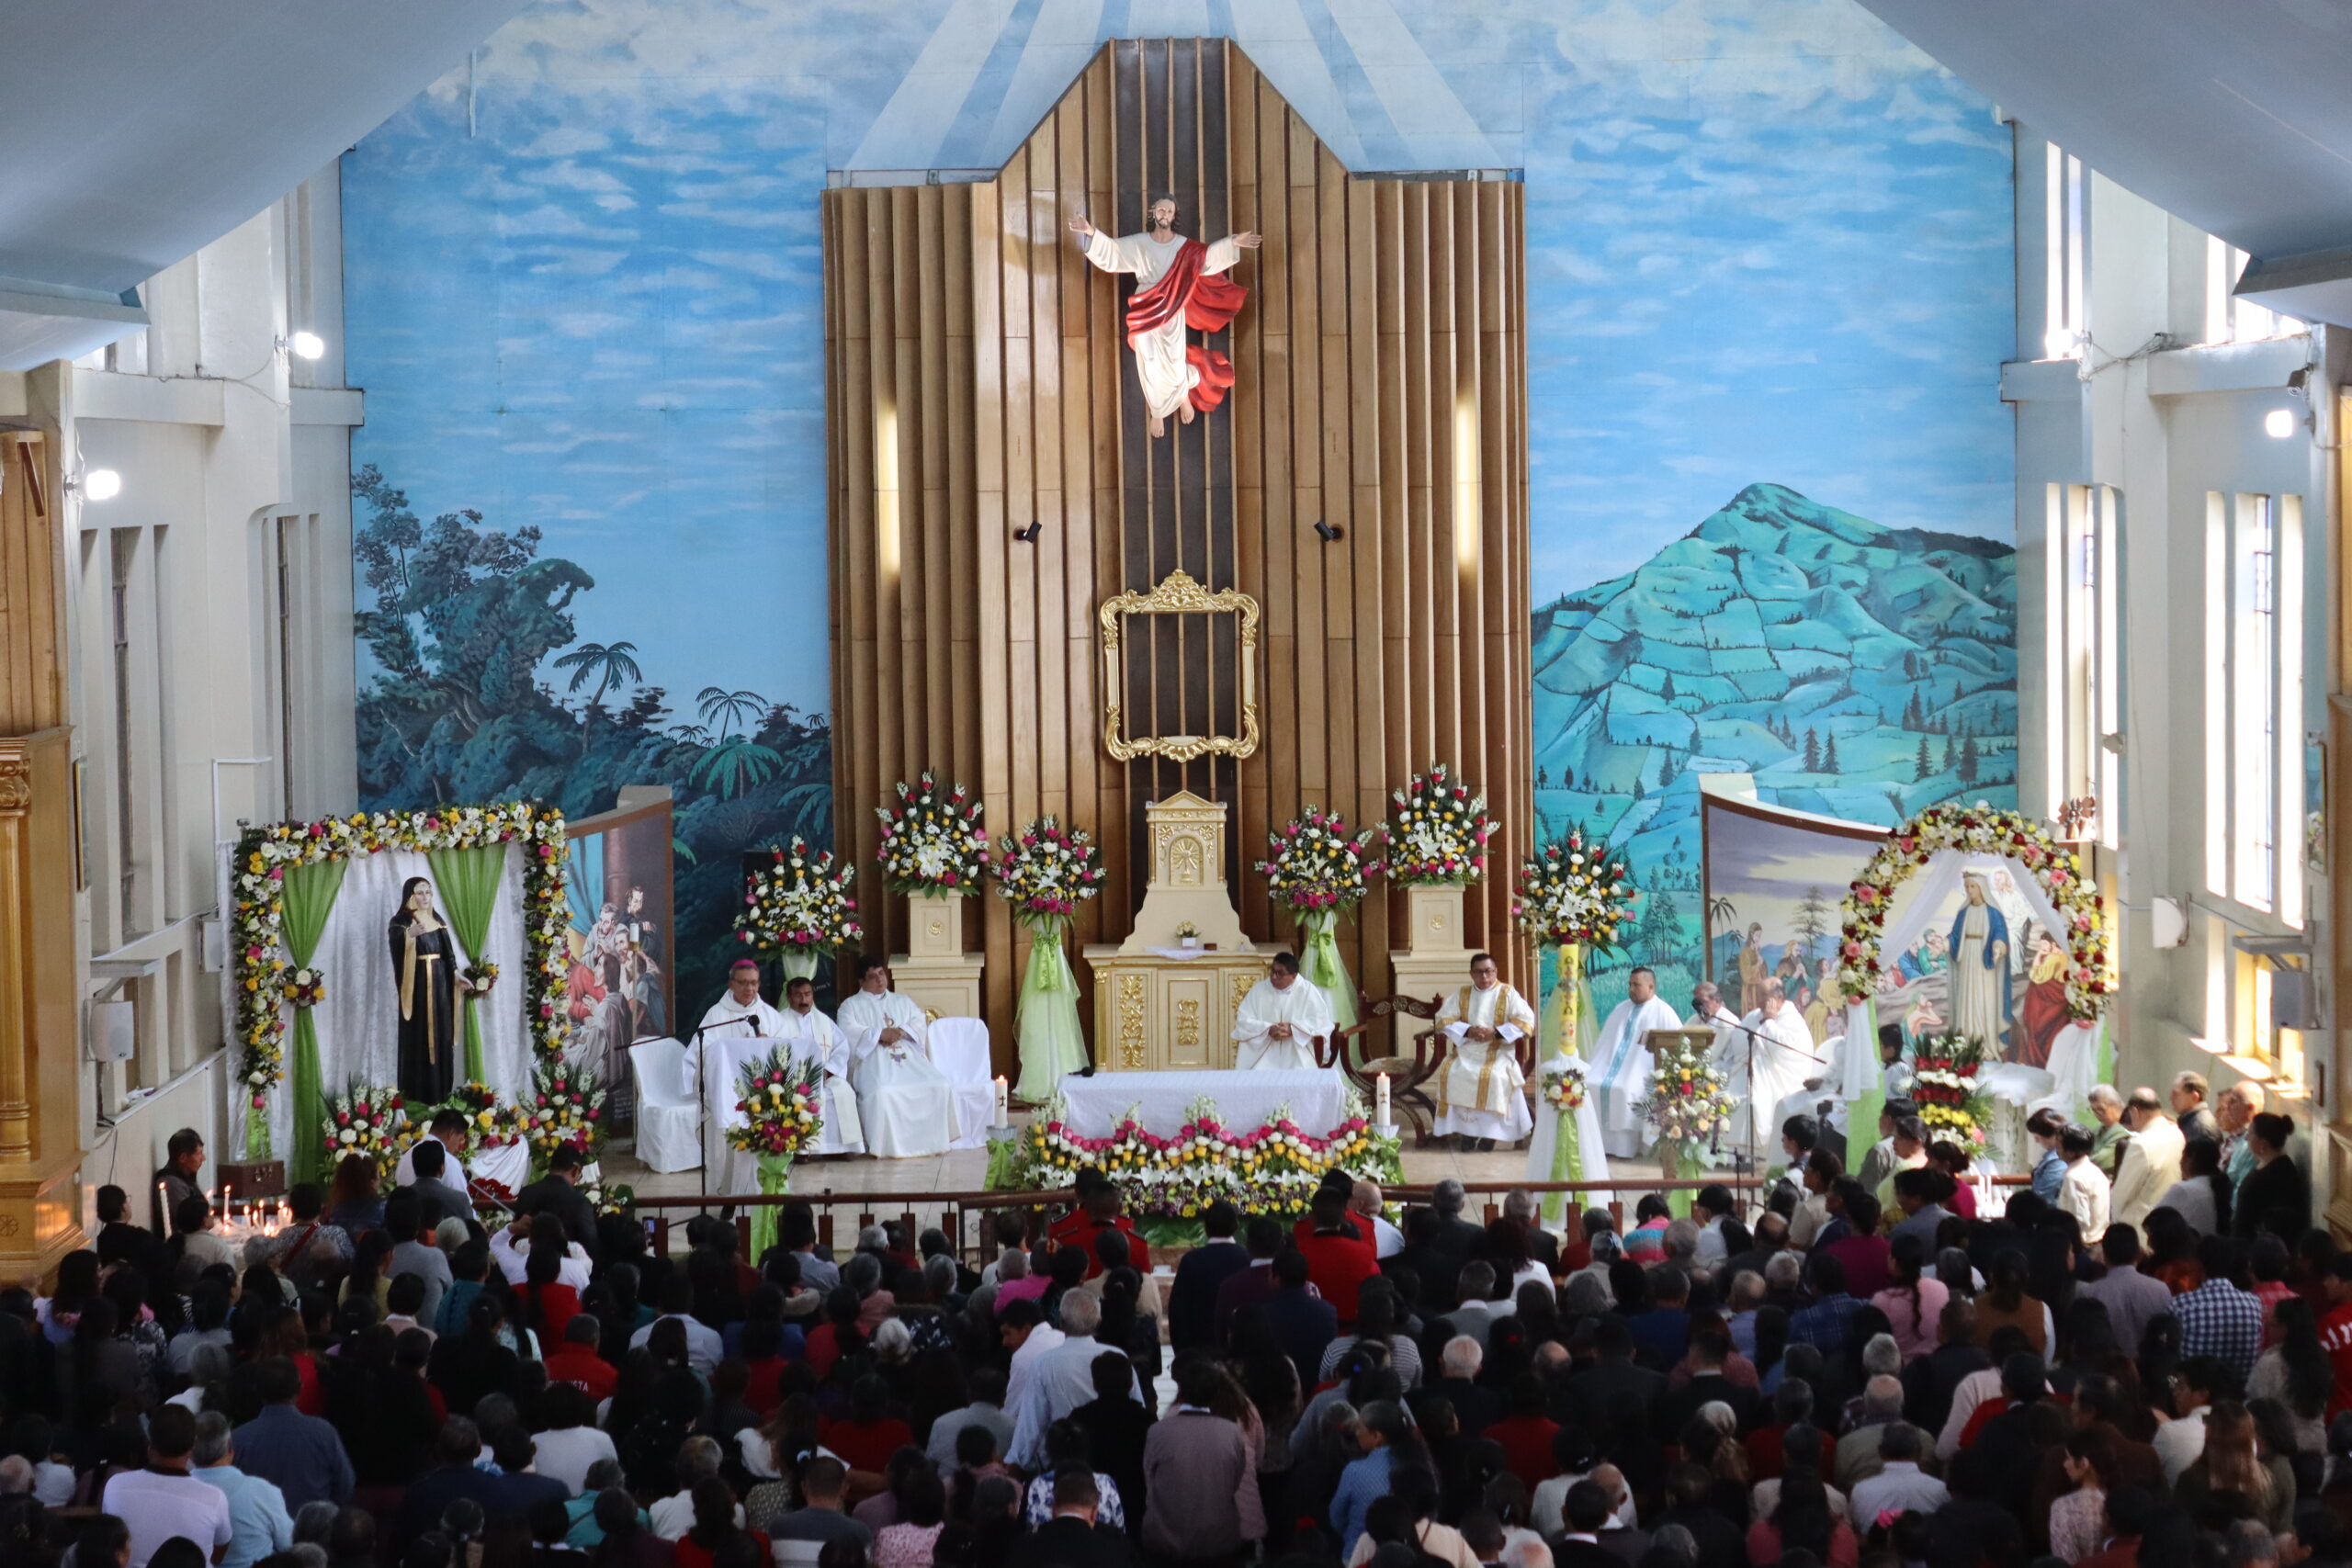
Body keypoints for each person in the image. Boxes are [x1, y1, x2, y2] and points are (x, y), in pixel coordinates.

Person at [1068, 197, 1260, 440]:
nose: (1165, 213)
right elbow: (1114, 252)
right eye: (1161, 209)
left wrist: (1233, 242)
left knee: (1174, 358)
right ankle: (1158, 409)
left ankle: (1181, 395)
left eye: (1169, 210)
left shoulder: (1184, 247)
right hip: (1145, 307)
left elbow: (1207, 257)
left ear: (1174, 216)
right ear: (1153, 213)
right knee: (1148, 360)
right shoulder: (1140, 243)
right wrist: (1090, 231)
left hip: (1172, 306)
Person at [838, 957, 961, 1158]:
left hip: (908, 1057)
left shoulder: (902, 1001)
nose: (880, 980)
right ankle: (888, 1147)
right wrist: (879, 1034)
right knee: (882, 1093)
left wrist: (902, 1031)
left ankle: (933, 1143)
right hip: (874, 1061)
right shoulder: (850, 1006)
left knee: (939, 1085)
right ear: (861, 981)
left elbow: (919, 1022)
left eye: (881, 974)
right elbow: (847, 1032)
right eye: (873, 977)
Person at [102, 1404, 234, 1568]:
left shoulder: (116, 1485)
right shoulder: (214, 1498)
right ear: (193, 1445)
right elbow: (219, 1552)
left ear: (149, 1442)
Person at [1431, 953, 1538, 1151]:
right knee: (1453, 1072)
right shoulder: (1463, 994)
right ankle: (1467, 1133)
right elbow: (1442, 1019)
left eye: (1489, 971)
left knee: (1496, 1077)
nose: (1485, 977)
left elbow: (1526, 1020)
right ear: (1471, 974)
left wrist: (1495, 1033)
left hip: (1498, 1051)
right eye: (1479, 972)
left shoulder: (1507, 993)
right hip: (1468, 1050)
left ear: (1495, 971)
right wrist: (1467, 1030)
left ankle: (1491, 1135)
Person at [1588, 965, 1681, 1160]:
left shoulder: (1664, 1012)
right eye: (1629, 984)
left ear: (1651, 986)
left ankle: (1625, 1149)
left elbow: (1677, 1048)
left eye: (1636, 985)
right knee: (1590, 1083)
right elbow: (1605, 1044)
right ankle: (1598, 1146)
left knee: (1625, 1089)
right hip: (1609, 1067)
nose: (1631, 989)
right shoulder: (1620, 1009)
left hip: (1643, 1071)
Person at [1725, 978, 1820, 1169]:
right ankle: (1737, 1157)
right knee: (1729, 1098)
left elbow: (1783, 1051)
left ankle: (1757, 1157)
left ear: (1778, 997)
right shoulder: (1753, 1015)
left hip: (1778, 1078)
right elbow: (1738, 1041)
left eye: (1763, 996)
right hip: (1748, 1071)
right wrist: (1755, 1051)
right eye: (1758, 995)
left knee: (1753, 1101)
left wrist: (1769, 1022)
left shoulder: (1792, 1018)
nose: (1759, 1000)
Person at [389, 874, 461, 1104]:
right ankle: (418, 1095)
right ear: (410, 896)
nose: (425, 897)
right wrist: (408, 936)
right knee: (419, 1036)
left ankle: (442, 1092)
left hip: (440, 986)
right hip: (417, 987)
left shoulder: (437, 920)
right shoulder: (401, 921)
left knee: (441, 1034)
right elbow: (396, 944)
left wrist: (456, 975)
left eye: (428, 892)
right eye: (420, 893)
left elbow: (448, 954)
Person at [1231, 949, 1336, 1073]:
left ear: (1294, 975)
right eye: (1272, 971)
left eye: (1280, 973)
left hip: (1298, 1055)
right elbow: (1243, 1021)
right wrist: (1267, 1029)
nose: (1274, 977)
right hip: (1263, 1057)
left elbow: (1321, 1022)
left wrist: (1293, 1029)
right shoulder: (1259, 990)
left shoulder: (1307, 991)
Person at [2110, 1088, 2187, 1233]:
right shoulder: (2177, 1133)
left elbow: (2121, 1194)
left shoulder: (2140, 1144)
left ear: (2134, 1112)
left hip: (2141, 1226)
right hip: (2171, 1219)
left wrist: (2116, 1221)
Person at [2233, 1112, 2310, 1243]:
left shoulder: (2274, 1175)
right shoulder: (2280, 1166)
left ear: (2263, 1143)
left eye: (2250, 1134)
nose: (2246, 1138)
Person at [2056, 1125, 2111, 1238]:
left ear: (2071, 1152)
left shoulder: (2073, 1177)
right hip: (2099, 1238)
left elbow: (2079, 1220)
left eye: (2059, 1144)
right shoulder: (2095, 1171)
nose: (2056, 1148)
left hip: (2085, 1241)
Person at [2086, 1086, 2131, 1179]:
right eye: (2093, 1110)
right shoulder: (2097, 1130)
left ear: (2116, 1105)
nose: (2097, 1114)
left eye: (2101, 1109)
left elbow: (2100, 1161)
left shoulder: (2124, 1131)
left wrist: (2078, 1162)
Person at [2174, 1071, 2221, 1145]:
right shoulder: (2193, 1122)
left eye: (2176, 1094)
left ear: (2194, 1097)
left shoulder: (2200, 1130)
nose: (2171, 1098)